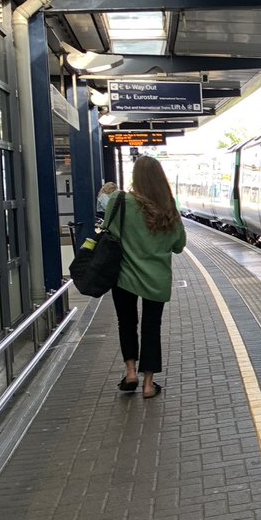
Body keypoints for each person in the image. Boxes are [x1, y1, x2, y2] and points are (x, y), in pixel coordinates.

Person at [106, 157, 186, 399]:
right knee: (152, 328)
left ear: (135, 177)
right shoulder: (168, 206)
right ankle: (149, 385)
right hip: (156, 279)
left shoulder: (119, 200)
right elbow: (179, 245)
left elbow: (110, 232)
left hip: (124, 276)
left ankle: (131, 372)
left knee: (126, 323)